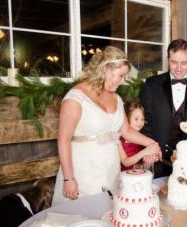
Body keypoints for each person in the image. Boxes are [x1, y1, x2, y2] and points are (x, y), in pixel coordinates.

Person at [52, 46, 161, 205]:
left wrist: (152, 144)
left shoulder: (116, 98)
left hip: (110, 170)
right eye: (121, 75)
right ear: (107, 70)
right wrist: (69, 178)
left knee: (109, 214)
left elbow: (127, 131)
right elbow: (63, 140)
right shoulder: (75, 98)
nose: (123, 80)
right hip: (83, 171)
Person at [140, 39, 187, 178]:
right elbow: (145, 122)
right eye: (174, 62)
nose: (179, 68)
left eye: (184, 63)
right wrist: (150, 150)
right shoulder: (151, 85)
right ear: (168, 59)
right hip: (157, 158)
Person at [119, 101, 158, 171]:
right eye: (136, 119)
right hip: (123, 178)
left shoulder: (142, 139)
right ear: (126, 119)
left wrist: (149, 161)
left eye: (142, 119)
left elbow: (144, 167)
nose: (140, 123)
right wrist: (144, 152)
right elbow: (125, 162)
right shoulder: (118, 139)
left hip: (138, 177)